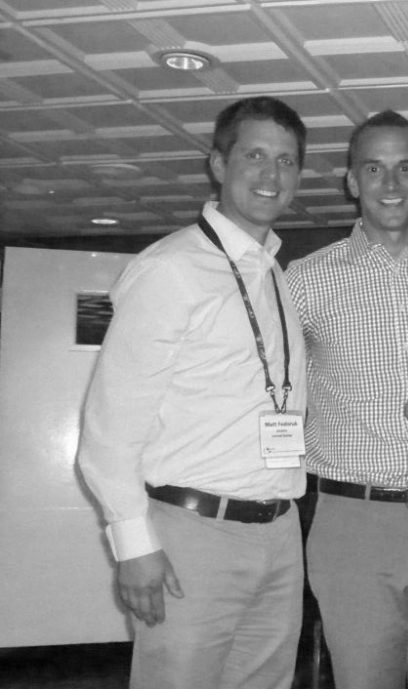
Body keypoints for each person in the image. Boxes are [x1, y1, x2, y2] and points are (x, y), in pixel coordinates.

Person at [77, 96, 309, 689]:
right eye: (255, 155)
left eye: (286, 160)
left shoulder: (274, 272)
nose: (271, 174)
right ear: (218, 164)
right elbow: (110, 426)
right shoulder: (172, 268)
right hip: (193, 533)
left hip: (279, 532)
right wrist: (132, 544)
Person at [285, 110, 408, 689]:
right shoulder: (303, 280)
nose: (391, 184)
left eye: (405, 168)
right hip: (353, 524)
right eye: (374, 169)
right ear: (352, 181)